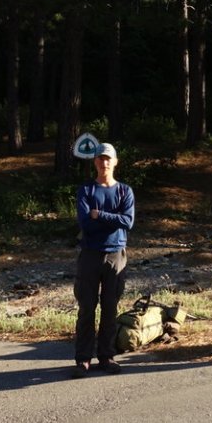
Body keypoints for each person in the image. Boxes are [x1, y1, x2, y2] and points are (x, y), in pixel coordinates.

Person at [72, 142, 135, 378]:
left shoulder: (124, 191)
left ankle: (106, 356)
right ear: (94, 162)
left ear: (115, 162)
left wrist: (100, 214)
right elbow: (85, 222)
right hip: (90, 254)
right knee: (87, 308)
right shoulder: (86, 190)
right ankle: (83, 359)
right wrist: (111, 219)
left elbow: (127, 222)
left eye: (108, 158)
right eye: (100, 158)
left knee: (110, 308)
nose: (104, 162)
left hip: (116, 254)